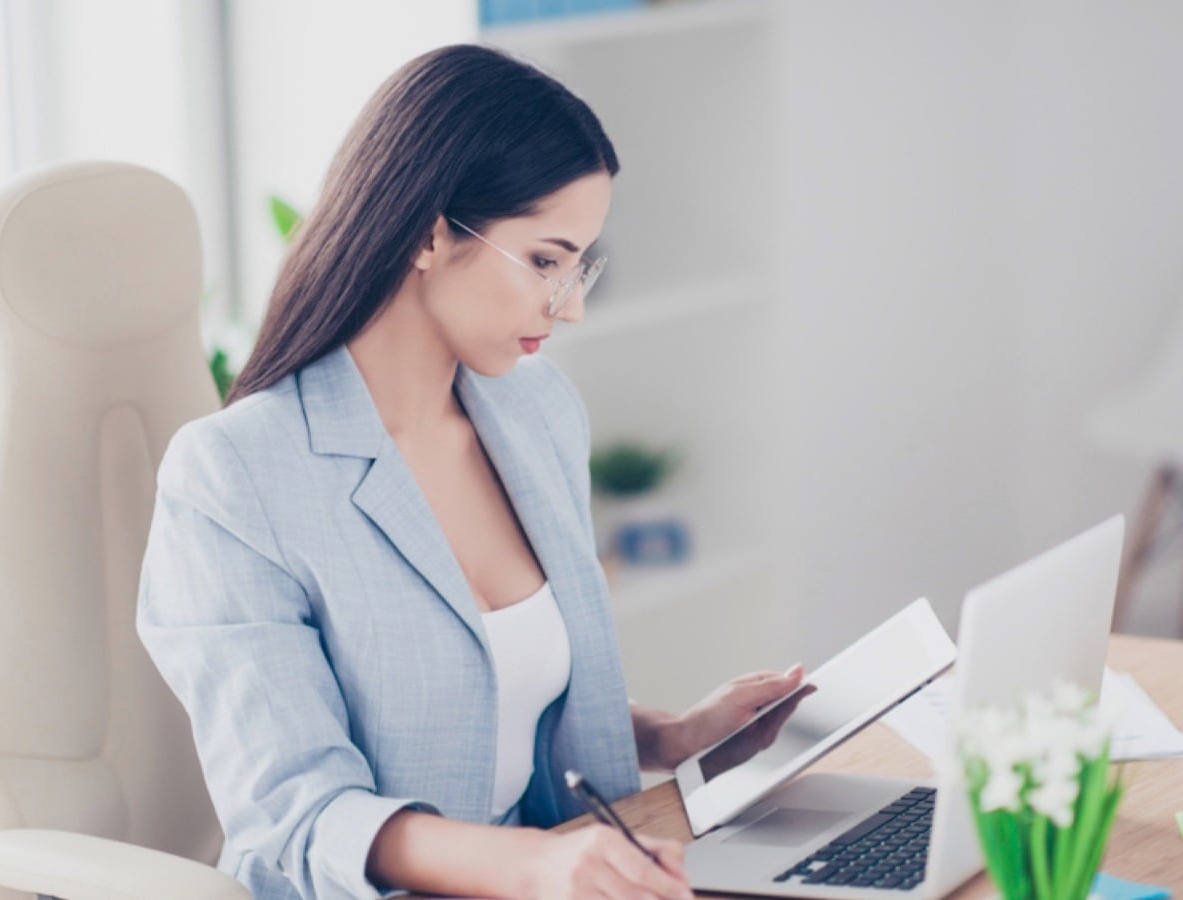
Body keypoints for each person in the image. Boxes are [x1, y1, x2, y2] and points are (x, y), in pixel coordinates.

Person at [137, 43, 803, 900]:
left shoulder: (538, 411)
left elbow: (495, 701)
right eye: (546, 261)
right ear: (428, 233)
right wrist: (533, 865)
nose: (572, 305)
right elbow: (299, 814)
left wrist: (670, 736)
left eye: (580, 265)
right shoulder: (234, 475)